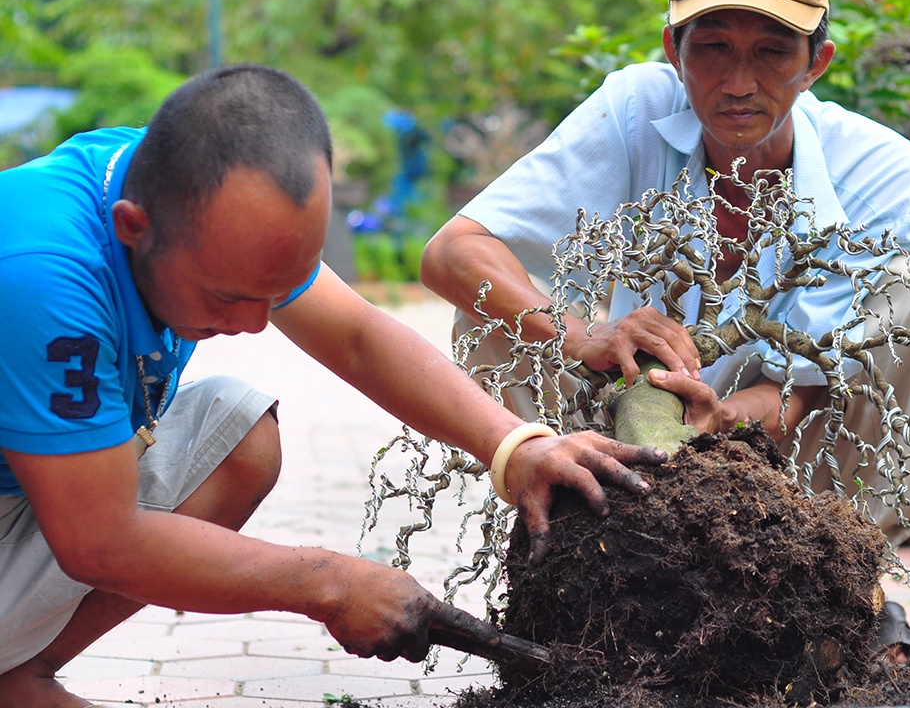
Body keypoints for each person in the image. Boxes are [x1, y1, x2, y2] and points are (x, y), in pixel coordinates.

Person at [0, 64, 668, 708]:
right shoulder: (44, 275)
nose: (256, 324)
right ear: (132, 229)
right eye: (228, 297)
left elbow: (355, 336)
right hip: (71, 523)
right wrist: (325, 583)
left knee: (237, 431)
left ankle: (21, 677)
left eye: (273, 293)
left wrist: (515, 446)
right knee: (116, 519)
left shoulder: (180, 186)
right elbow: (99, 542)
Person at [421, 0, 910, 662]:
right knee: (486, 310)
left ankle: (841, 581)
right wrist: (586, 337)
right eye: (712, 48)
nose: (738, 83)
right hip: (615, 432)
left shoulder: (880, 174)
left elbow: (803, 388)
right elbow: (452, 252)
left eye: (771, 53)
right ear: (674, 51)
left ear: (816, 63)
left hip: (789, 464)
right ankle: (577, 544)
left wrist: (721, 424)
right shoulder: (631, 109)